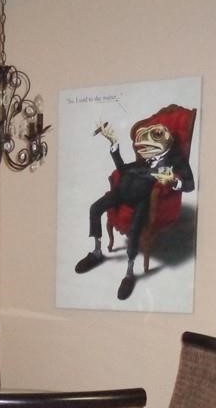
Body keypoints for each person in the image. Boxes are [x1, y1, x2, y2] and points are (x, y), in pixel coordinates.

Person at [75, 107, 195, 300]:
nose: (143, 153)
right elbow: (123, 169)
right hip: (122, 192)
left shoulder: (174, 160)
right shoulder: (145, 159)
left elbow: (189, 185)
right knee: (95, 208)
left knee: (135, 229)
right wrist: (114, 144)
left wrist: (173, 180)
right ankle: (97, 253)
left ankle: (129, 273)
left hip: (142, 200)